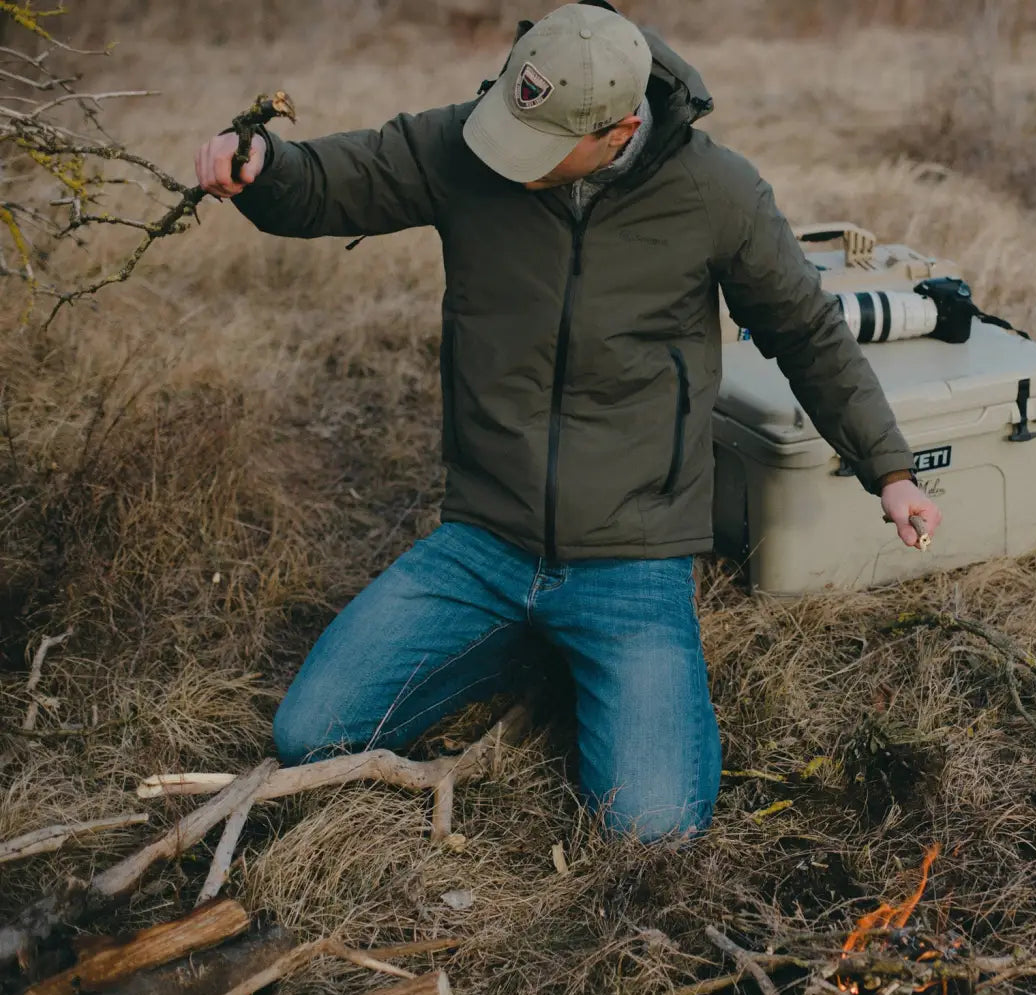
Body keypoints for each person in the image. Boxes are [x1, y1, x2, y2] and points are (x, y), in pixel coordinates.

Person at [195, 0, 942, 842]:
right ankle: (527, 643)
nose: (514, 160)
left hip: (633, 556)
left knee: (651, 829)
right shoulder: (471, 142)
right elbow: (341, 179)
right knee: (309, 734)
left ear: (620, 129)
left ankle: (580, 651)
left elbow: (808, 333)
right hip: (484, 538)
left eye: (544, 148)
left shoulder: (716, 192)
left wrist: (891, 469)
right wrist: (262, 162)